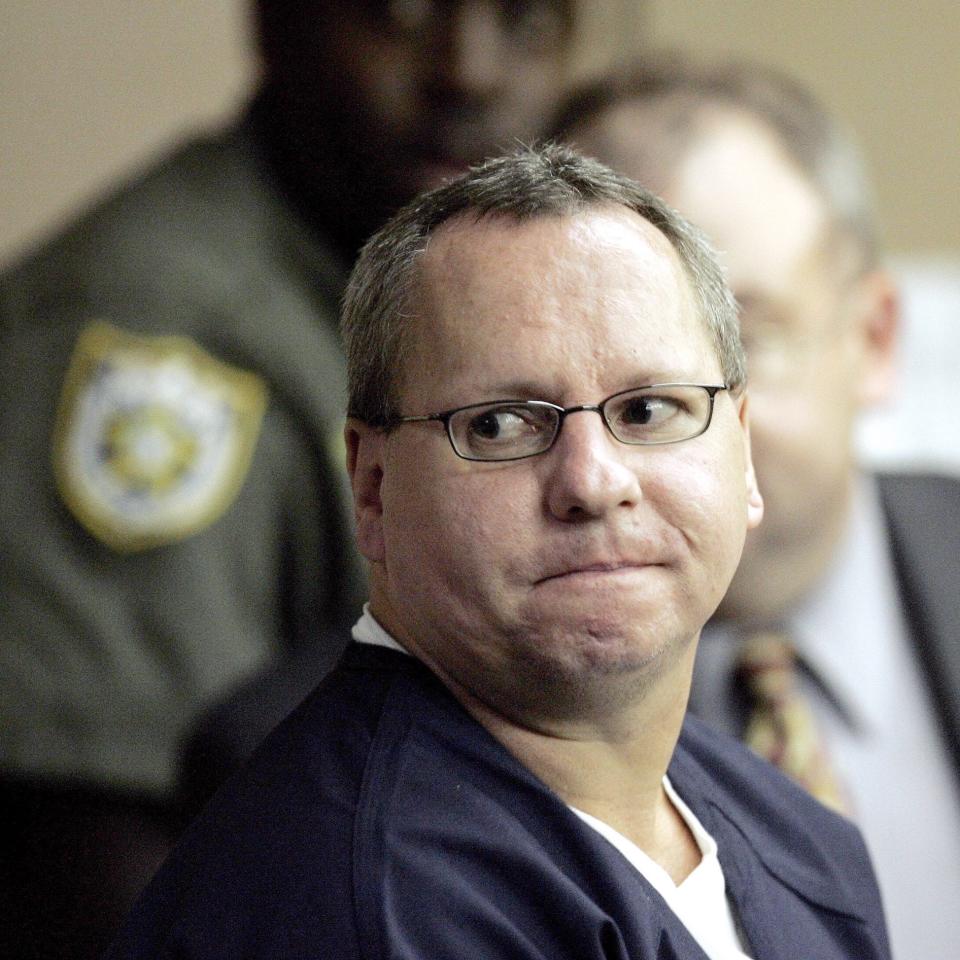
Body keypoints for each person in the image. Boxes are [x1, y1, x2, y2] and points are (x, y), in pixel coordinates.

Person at [104, 144, 889, 960]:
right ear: (373, 488)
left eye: (651, 408)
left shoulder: (803, 843)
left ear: (743, 453)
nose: (593, 480)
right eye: (501, 424)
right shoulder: (361, 909)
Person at [0, 2, 577, 956]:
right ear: (275, 22)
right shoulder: (158, 335)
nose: (467, 70)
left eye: (524, 18)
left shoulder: (433, 292)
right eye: (398, 13)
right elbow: (89, 861)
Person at [554, 57, 960, 960]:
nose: (680, 427)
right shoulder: (334, 775)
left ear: (874, 339)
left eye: (748, 340)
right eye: (624, 375)